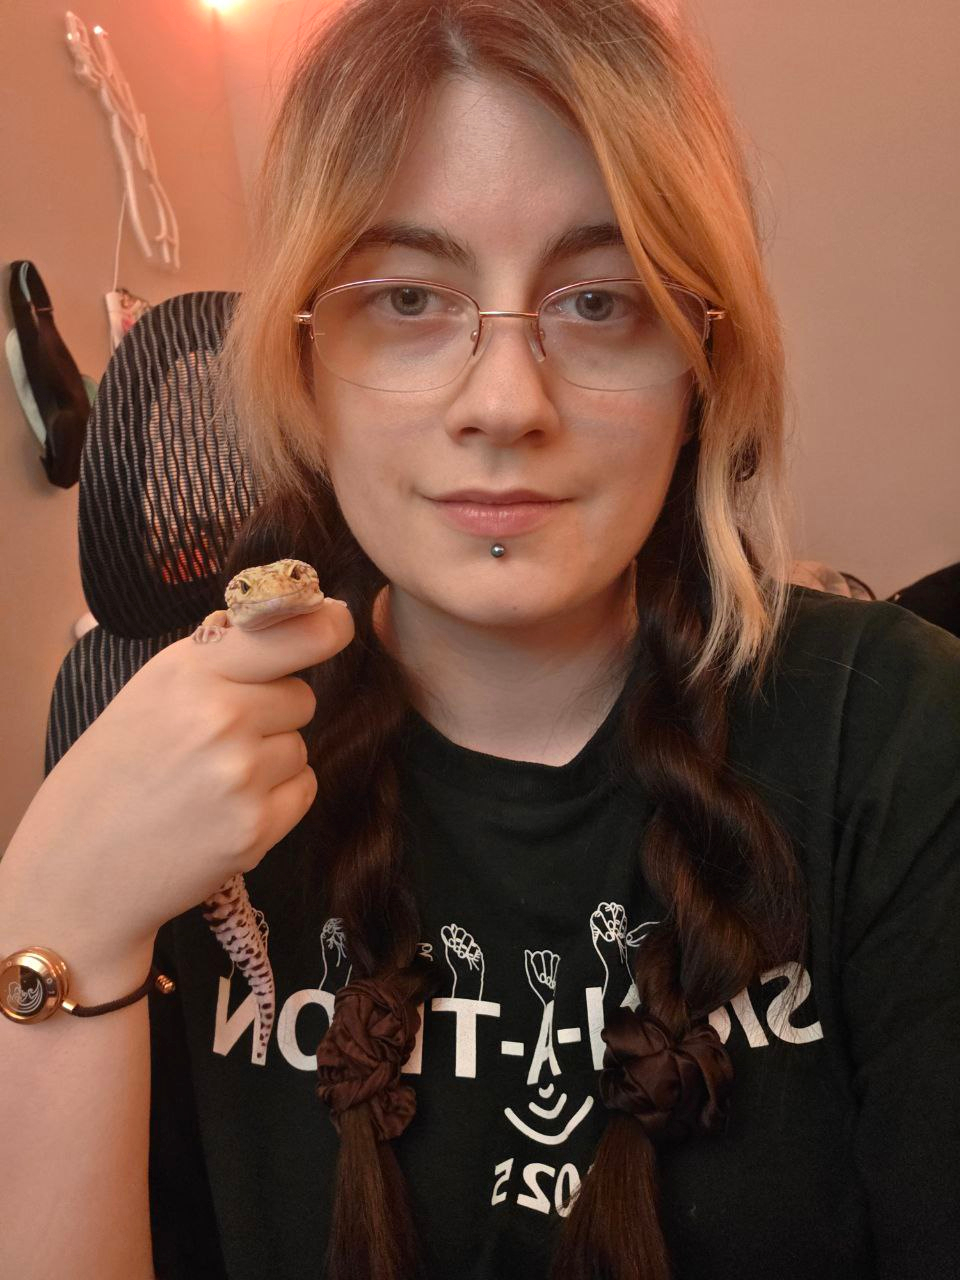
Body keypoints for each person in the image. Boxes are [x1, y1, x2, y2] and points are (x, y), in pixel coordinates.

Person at [2, 2, 958, 1279]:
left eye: (601, 300)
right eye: (408, 297)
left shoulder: (896, 733)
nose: (505, 403)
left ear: (701, 369)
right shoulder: (176, 802)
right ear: (304, 364)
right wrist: (55, 914)